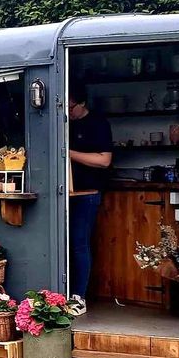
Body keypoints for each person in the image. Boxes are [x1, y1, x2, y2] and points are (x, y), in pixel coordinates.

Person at [67, 82, 112, 298]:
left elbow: (104, 160)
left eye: (71, 107)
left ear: (82, 103)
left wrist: (68, 153)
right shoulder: (66, 122)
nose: (68, 111)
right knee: (64, 244)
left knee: (78, 243)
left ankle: (78, 296)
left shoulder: (97, 123)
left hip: (88, 193)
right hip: (65, 192)